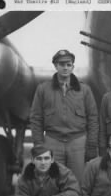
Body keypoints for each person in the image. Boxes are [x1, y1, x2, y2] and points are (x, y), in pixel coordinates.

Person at [30, 49, 99, 184]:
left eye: (68, 64)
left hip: (77, 141)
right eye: (61, 64)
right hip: (52, 140)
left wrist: (91, 145)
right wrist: (38, 144)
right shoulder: (43, 89)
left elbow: (93, 118)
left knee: (78, 181)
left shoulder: (84, 90)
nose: (65, 67)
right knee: (53, 181)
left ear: (73, 66)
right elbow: (36, 118)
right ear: (55, 66)